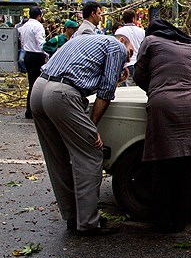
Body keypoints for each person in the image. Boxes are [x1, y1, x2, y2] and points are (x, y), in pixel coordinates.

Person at [30, 34, 133, 236]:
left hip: (39, 88)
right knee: (90, 154)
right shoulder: (116, 47)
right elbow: (105, 92)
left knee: (58, 157)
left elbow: (80, 76)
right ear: (122, 41)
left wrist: (115, 77)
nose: (127, 59)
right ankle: (88, 222)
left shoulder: (85, 40)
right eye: (129, 53)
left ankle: (72, 216)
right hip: (60, 95)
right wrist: (92, 127)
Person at [133, 19, 191, 233]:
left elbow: (138, 76)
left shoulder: (150, 42)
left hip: (162, 105)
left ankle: (160, 221)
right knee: (186, 166)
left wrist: (156, 88)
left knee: (161, 164)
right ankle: (179, 223)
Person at [17, 6, 47, 119]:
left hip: (28, 55)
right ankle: (35, 110)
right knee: (38, 85)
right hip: (37, 56)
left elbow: (23, 42)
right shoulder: (38, 26)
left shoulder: (24, 26)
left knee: (31, 83)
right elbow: (41, 43)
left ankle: (29, 110)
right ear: (39, 16)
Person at [115, 9, 145, 86]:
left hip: (125, 65)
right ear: (133, 19)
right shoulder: (142, 31)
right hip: (139, 64)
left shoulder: (119, 32)